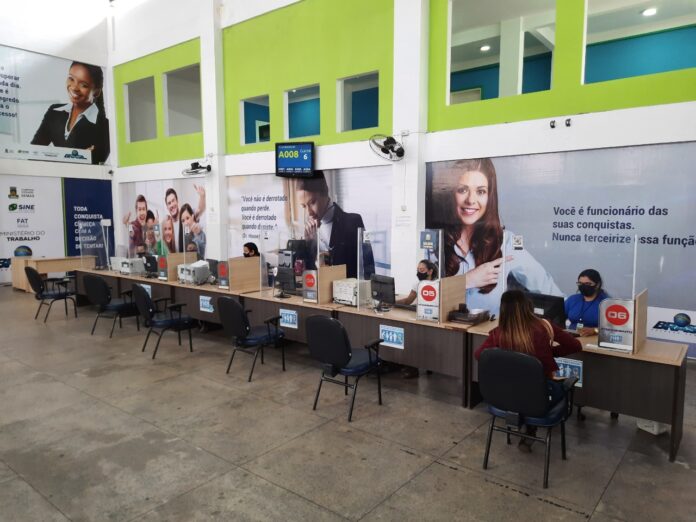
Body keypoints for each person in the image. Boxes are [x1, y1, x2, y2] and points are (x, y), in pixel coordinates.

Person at [435, 158, 561, 315]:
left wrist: (575, 316)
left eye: (480, 191)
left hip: (489, 329)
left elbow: (546, 286)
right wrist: (468, 280)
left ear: (490, 196)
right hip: (444, 328)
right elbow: (423, 293)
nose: (471, 200)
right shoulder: (434, 241)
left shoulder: (506, 242)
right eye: (462, 190)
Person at [475, 290, 581, 451]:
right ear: (528, 306)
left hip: (504, 396)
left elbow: (479, 355)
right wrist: (550, 352)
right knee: (555, 387)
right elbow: (575, 345)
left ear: (503, 309)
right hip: (541, 398)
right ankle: (531, 427)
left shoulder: (498, 333)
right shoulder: (544, 327)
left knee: (523, 390)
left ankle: (525, 424)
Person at [296, 171, 374, 278]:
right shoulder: (309, 231)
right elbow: (307, 276)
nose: (309, 212)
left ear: (325, 193)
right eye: (304, 206)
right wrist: (310, 243)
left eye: (312, 202)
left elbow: (369, 268)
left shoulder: (354, 222)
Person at [31, 61, 110, 165]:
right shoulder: (54, 112)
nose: (74, 87)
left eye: (84, 85)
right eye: (71, 79)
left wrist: (51, 155)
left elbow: (92, 163)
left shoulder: (105, 126)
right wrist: (78, 156)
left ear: (96, 92)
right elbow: (34, 153)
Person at [565, 269, 608, 336]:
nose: (583, 286)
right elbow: (558, 319)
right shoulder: (572, 299)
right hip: (571, 337)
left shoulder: (606, 303)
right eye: (580, 283)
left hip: (592, 339)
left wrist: (594, 330)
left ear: (597, 284)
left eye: (587, 284)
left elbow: (613, 329)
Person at [164, 185, 206, 252]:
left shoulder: (186, 216)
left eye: (173, 201)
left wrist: (202, 196)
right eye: (169, 203)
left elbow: (200, 210)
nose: (171, 205)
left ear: (177, 201)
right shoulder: (168, 225)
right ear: (167, 207)